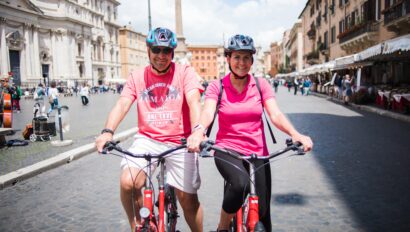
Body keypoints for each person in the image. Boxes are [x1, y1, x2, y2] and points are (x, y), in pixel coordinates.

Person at [186, 34, 313, 232]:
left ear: (252, 60)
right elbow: (208, 112)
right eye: (237, 57)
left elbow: (275, 113)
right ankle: (222, 226)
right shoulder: (217, 86)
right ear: (228, 59)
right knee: (239, 185)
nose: (242, 63)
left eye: (246, 58)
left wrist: (295, 133)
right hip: (227, 151)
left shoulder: (261, 85)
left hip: (258, 153)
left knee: (263, 217)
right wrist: (198, 132)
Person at [95, 27, 204, 232]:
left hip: (181, 141)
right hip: (148, 139)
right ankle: (137, 225)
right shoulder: (137, 76)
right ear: (148, 50)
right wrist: (107, 131)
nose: (161, 56)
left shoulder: (184, 72)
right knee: (128, 183)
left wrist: (197, 131)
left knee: (188, 200)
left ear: (172, 53)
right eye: (156, 50)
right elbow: (122, 104)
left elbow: (194, 100)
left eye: (166, 51)